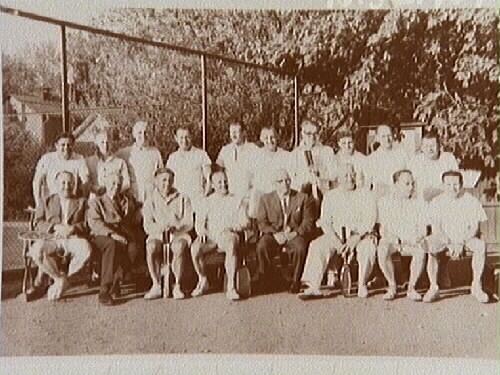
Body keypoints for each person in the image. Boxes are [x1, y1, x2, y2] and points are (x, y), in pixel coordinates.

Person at [301, 163, 377, 298]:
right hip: (336, 237)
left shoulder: (367, 194)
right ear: (339, 179)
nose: (350, 178)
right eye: (345, 175)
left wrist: (356, 237)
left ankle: (362, 284)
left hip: (361, 237)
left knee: (368, 248)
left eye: (352, 174)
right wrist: (337, 243)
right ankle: (313, 286)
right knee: (317, 245)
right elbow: (325, 223)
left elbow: (370, 220)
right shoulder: (330, 196)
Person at [424, 170, 489, 303]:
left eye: (456, 184)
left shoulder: (471, 201)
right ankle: (433, 287)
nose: (452, 188)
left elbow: (474, 227)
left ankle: (476, 285)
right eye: (448, 184)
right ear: (443, 185)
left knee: (480, 245)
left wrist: (460, 242)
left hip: (466, 238)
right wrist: (449, 243)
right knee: (430, 245)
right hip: (444, 238)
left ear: (461, 185)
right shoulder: (437, 202)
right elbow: (436, 228)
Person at [30, 170, 91, 301]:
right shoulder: (46, 200)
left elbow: (88, 224)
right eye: (63, 183)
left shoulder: (81, 202)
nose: (66, 186)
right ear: (56, 184)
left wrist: (73, 228)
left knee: (85, 250)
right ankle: (59, 279)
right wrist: (54, 227)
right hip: (53, 237)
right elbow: (38, 222)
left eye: (69, 182)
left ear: (74, 184)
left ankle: (67, 278)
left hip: (73, 237)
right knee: (36, 250)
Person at [190, 168, 250, 300]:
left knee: (231, 243)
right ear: (212, 185)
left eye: (225, 181)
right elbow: (199, 222)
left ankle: (231, 286)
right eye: (219, 182)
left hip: (227, 235)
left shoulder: (236, 200)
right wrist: (202, 232)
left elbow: (245, 222)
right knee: (195, 248)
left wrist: (232, 227)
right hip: (211, 236)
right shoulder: (206, 201)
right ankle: (203, 279)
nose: (223, 185)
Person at [255, 168, 316, 294]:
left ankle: (295, 281)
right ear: (274, 184)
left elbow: (308, 222)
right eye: (281, 181)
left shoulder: (302, 198)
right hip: (274, 234)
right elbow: (261, 222)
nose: (285, 184)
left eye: (288, 180)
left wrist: (295, 232)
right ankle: (265, 279)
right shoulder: (265, 199)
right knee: (262, 246)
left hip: (294, 234)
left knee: (300, 247)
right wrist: (275, 234)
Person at [87, 173, 142, 306]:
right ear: (105, 183)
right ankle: (104, 290)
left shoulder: (125, 200)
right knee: (112, 245)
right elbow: (95, 223)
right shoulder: (97, 201)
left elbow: (136, 208)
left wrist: (140, 209)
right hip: (102, 235)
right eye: (112, 183)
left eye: (118, 184)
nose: (115, 187)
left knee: (133, 247)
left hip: (122, 232)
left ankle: (117, 280)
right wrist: (112, 234)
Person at [142, 168, 193, 300]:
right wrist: (160, 228)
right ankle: (156, 284)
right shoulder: (150, 200)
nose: (167, 183)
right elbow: (147, 225)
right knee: (151, 247)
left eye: (170, 180)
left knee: (179, 247)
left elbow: (189, 222)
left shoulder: (182, 198)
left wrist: (176, 227)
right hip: (158, 234)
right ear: (156, 182)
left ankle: (177, 285)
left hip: (178, 234)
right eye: (163, 180)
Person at [377, 169, 427, 301]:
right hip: (393, 241)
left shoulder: (419, 203)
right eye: (407, 184)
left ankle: (411, 287)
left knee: (421, 251)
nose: (411, 187)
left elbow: (423, 229)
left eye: (412, 183)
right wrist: (392, 238)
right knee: (382, 249)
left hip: (411, 242)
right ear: (395, 185)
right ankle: (392, 285)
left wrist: (416, 238)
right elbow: (383, 229)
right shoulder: (385, 202)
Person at [32, 132, 90, 207]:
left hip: (71, 202)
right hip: (51, 202)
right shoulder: (47, 159)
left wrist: (83, 201)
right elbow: (37, 181)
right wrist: (38, 203)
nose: (66, 148)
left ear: (73, 145)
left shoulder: (79, 159)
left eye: (69, 145)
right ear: (56, 146)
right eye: (63, 145)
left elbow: (86, 181)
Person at [115, 121, 163, 204]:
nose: (143, 136)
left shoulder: (155, 153)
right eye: (140, 133)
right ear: (134, 134)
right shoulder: (124, 153)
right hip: (132, 197)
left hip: (151, 196)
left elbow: (161, 176)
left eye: (145, 133)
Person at [166, 127, 212, 212]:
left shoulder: (201, 154)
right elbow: (168, 181)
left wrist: (204, 197)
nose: (184, 141)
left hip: (197, 202)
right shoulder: (172, 158)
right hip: (178, 203)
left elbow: (209, 179)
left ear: (191, 137)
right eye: (181, 138)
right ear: (176, 138)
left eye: (187, 137)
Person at [248, 126, 290, 217]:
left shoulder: (285, 155)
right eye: (266, 138)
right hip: (261, 193)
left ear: (277, 137)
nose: (269, 141)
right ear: (261, 139)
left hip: (278, 194)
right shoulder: (256, 155)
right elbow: (250, 177)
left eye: (272, 137)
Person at [288, 120, 335, 197]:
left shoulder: (327, 151)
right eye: (308, 133)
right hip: (303, 194)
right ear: (302, 134)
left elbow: (333, 175)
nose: (312, 137)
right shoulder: (294, 154)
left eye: (315, 133)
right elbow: (291, 179)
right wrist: (306, 179)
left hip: (323, 193)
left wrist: (320, 176)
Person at [408, 130, 459, 201]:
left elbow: (455, 180)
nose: (430, 149)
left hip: (444, 198)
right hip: (421, 199)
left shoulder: (448, 158)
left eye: (432, 146)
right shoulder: (415, 161)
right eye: (426, 146)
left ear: (439, 146)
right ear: (422, 147)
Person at [216, 121, 258, 201]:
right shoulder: (225, 150)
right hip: (229, 197)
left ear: (243, 132)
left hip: (248, 197)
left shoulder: (253, 149)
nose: (233, 135)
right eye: (231, 132)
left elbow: (259, 174)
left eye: (236, 131)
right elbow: (218, 173)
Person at [365, 125, 410, 197]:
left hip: (400, 197)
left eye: (389, 135)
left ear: (393, 136)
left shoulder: (402, 154)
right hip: (381, 198)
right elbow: (367, 184)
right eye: (383, 136)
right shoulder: (372, 158)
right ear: (377, 138)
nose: (387, 139)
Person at [86, 130, 130, 197]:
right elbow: (86, 182)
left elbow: (127, 183)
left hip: (113, 199)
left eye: (107, 142)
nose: (105, 145)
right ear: (97, 144)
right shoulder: (89, 162)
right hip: (95, 199)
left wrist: (115, 191)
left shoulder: (119, 162)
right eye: (102, 142)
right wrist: (95, 189)